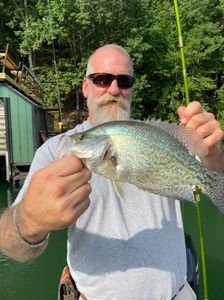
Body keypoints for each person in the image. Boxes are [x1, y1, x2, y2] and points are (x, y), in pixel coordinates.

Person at [0, 44, 223, 300]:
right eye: (102, 79)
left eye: (124, 81)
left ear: (131, 89)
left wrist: (215, 154)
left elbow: (215, 169)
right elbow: (10, 244)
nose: (114, 89)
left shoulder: (161, 136)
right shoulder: (56, 150)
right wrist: (29, 220)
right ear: (86, 87)